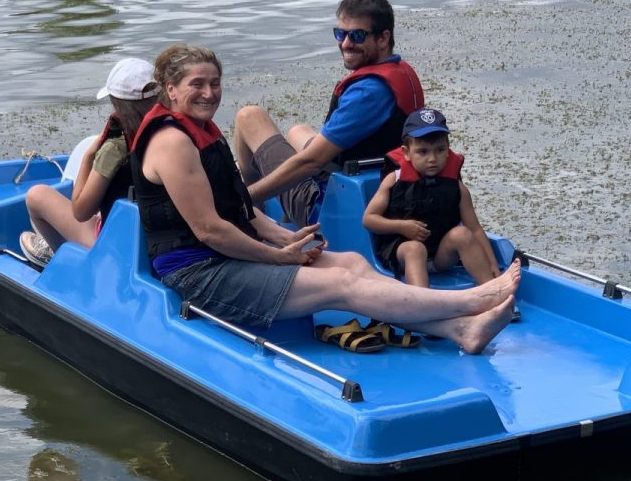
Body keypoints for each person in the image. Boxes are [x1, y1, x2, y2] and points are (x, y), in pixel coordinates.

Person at [131, 43, 519, 355]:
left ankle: (461, 330)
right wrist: (276, 256)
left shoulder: (204, 131)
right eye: (196, 84)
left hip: (228, 255)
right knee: (340, 286)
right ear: (170, 89)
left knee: (351, 261)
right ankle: (472, 301)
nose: (209, 93)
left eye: (214, 83)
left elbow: (240, 210)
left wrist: (288, 239)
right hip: (200, 273)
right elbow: (210, 230)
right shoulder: (172, 143)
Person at [232, 0, 425, 228]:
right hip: (379, 177)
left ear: (383, 38)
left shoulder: (367, 93)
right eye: (340, 34)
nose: (345, 44)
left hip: (324, 202)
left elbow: (310, 163)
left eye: (357, 35)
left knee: (249, 117)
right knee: (297, 130)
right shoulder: (400, 70)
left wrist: (239, 198)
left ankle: (250, 211)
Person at [20, 57, 159, 266]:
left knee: (36, 196)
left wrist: (89, 155)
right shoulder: (172, 133)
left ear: (116, 104)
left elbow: (80, 212)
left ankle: (63, 259)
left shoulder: (115, 149)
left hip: (117, 246)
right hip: (157, 239)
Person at [363, 108, 501, 289]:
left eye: (440, 150)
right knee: (415, 249)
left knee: (462, 234)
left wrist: (493, 265)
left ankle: (494, 291)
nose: (432, 158)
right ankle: (423, 305)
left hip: (439, 256)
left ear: (447, 148)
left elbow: (474, 229)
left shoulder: (456, 187)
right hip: (404, 253)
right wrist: (402, 227)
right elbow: (369, 219)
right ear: (406, 153)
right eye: (423, 152)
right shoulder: (394, 180)